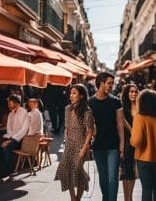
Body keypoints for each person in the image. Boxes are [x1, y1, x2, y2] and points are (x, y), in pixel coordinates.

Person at [88, 72, 125, 201]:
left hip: (113, 145)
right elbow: (88, 125)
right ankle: (106, 198)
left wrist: (122, 144)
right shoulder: (90, 102)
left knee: (113, 177)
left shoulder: (116, 101)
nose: (111, 86)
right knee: (103, 177)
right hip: (98, 146)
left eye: (112, 83)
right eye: (109, 83)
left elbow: (120, 124)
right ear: (101, 83)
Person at [55, 84, 95, 201]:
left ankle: (78, 197)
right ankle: (73, 198)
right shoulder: (67, 109)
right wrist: (66, 142)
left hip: (81, 144)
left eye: (74, 93)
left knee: (77, 170)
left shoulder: (87, 111)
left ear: (81, 96)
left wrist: (84, 148)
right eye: (70, 93)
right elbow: (67, 128)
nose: (71, 96)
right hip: (69, 145)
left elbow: (90, 132)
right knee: (66, 171)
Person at [130, 89, 156, 201]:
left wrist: (131, 137)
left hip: (144, 158)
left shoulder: (140, 117)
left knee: (147, 188)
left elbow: (136, 141)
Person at [0, 94, 29, 178]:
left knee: (7, 148)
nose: (8, 105)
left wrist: (11, 140)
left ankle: (6, 171)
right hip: (9, 136)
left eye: (9, 103)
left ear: (16, 103)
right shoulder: (11, 114)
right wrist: (7, 139)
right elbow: (9, 129)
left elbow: (23, 130)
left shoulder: (24, 113)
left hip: (18, 139)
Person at [120, 84, 139, 201]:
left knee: (132, 171)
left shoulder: (140, 106)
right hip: (126, 141)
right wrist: (131, 130)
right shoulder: (122, 107)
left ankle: (130, 197)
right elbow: (121, 120)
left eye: (136, 92)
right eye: (131, 92)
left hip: (137, 142)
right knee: (125, 171)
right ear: (127, 93)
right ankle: (126, 198)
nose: (134, 94)